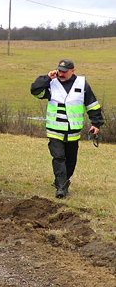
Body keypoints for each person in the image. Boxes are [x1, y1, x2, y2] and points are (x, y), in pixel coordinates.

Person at [31, 59, 104, 198]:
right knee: (59, 157)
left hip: (73, 132)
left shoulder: (82, 84)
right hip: (55, 130)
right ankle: (61, 188)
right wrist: (47, 77)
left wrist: (96, 123)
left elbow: (92, 105)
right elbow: (35, 90)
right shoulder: (51, 83)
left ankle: (61, 181)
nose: (61, 74)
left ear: (73, 71)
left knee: (71, 160)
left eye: (64, 71)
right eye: (59, 71)